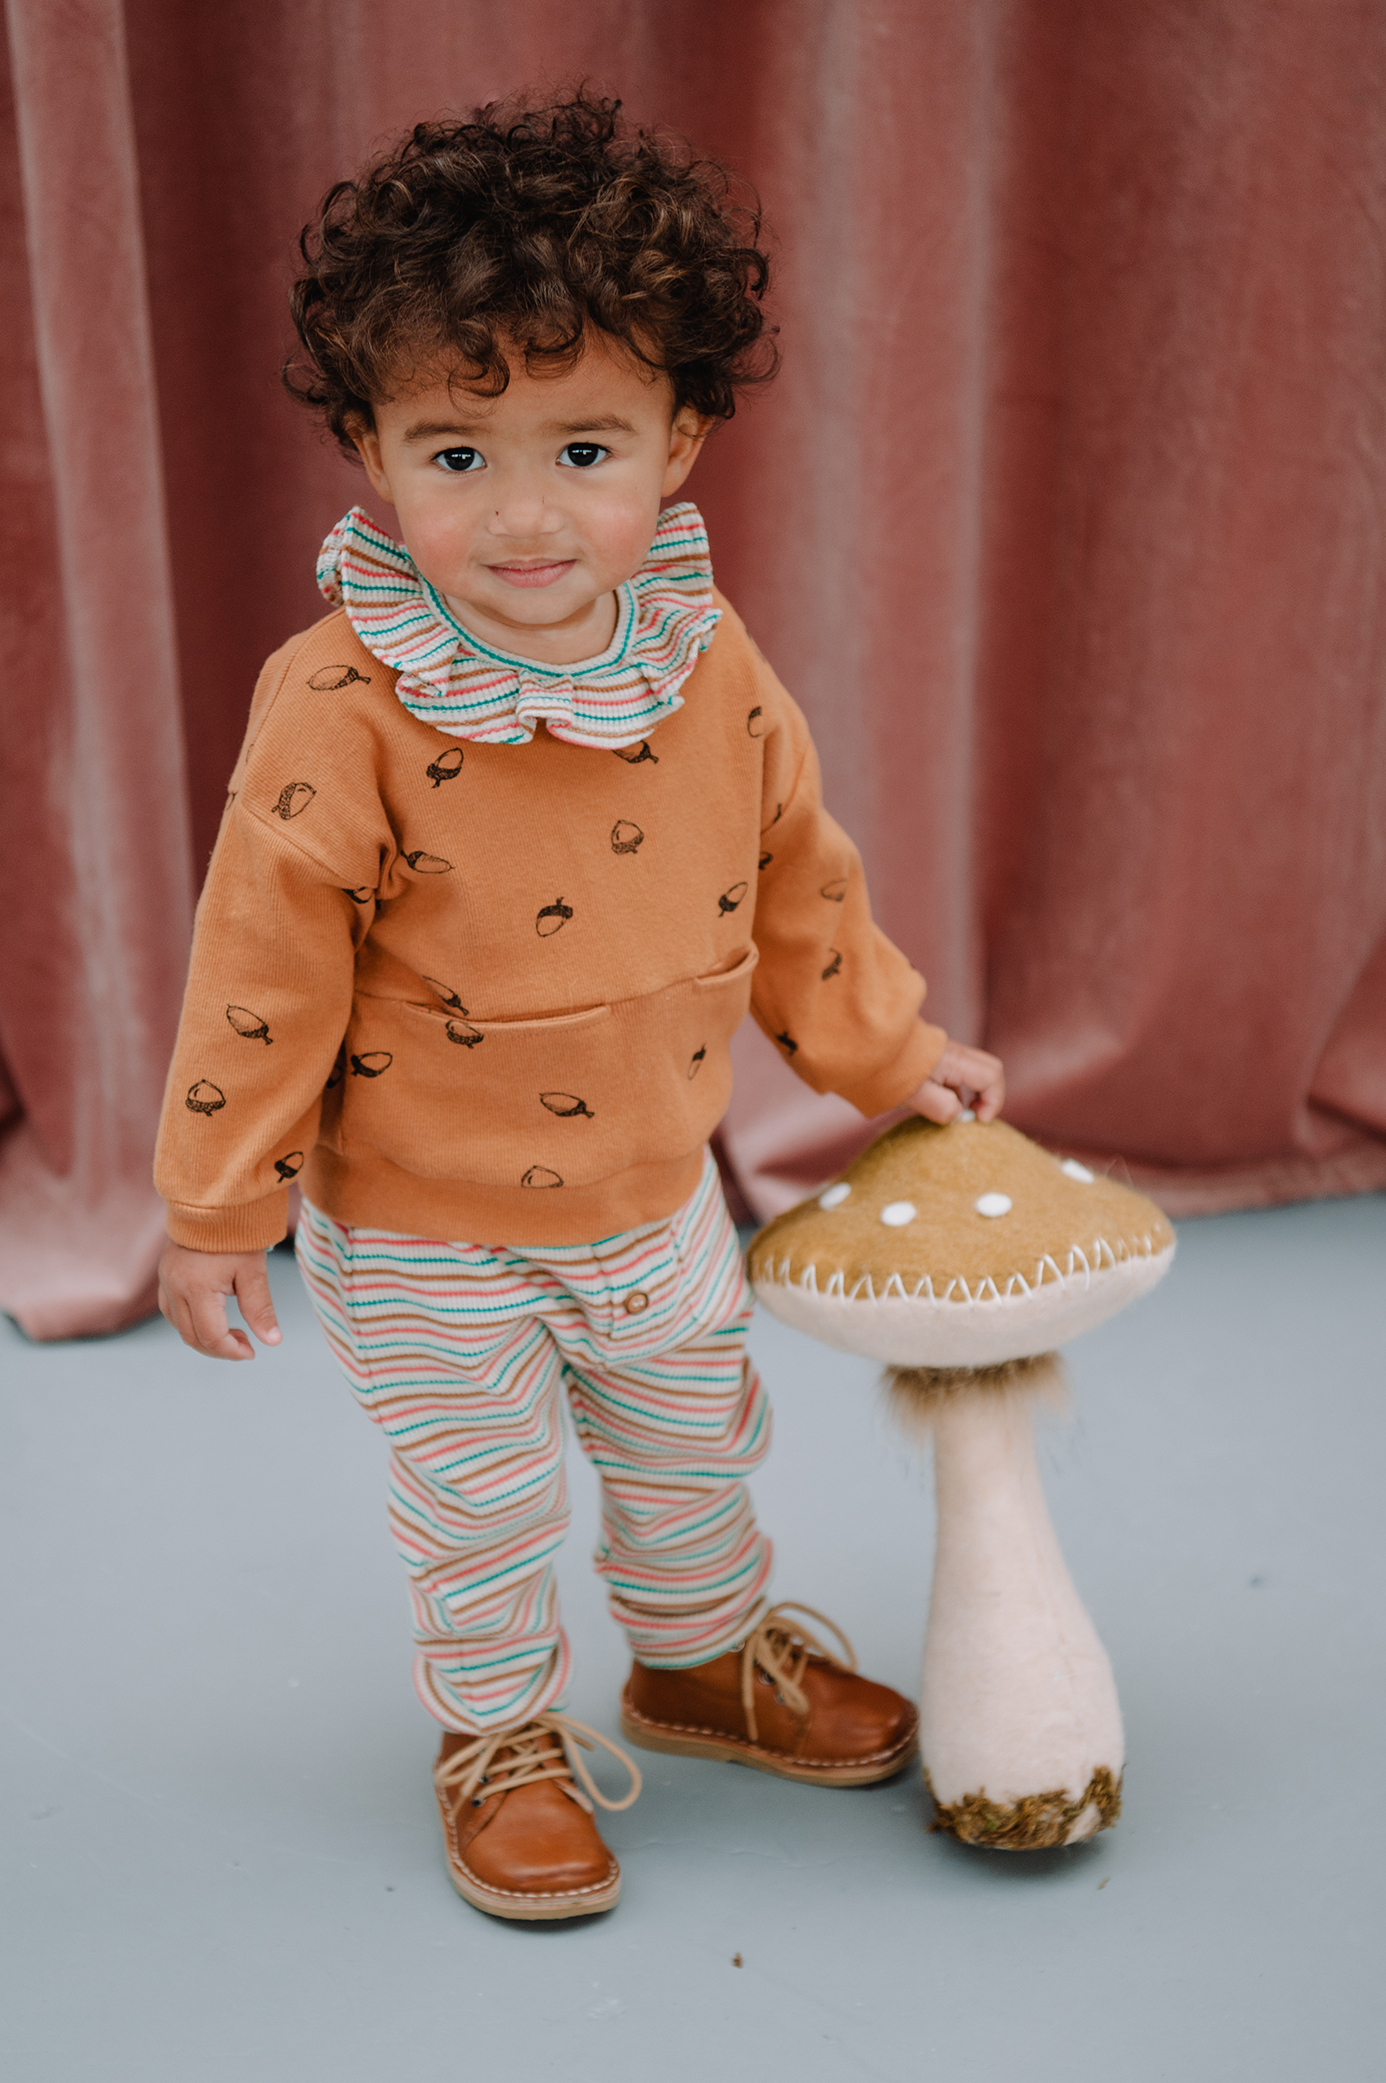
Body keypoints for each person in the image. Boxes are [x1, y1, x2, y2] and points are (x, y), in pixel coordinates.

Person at [154, 93, 1005, 1924]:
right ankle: (498, 1735)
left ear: (680, 440)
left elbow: (800, 882)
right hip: (428, 1226)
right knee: (480, 1505)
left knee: (692, 1445)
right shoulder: (341, 704)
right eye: (456, 453)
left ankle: (696, 1662)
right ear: (370, 447)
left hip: (654, 1190)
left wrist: (891, 1054)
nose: (526, 514)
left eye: (586, 448)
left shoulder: (707, 661)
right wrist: (218, 1205)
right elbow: (260, 973)